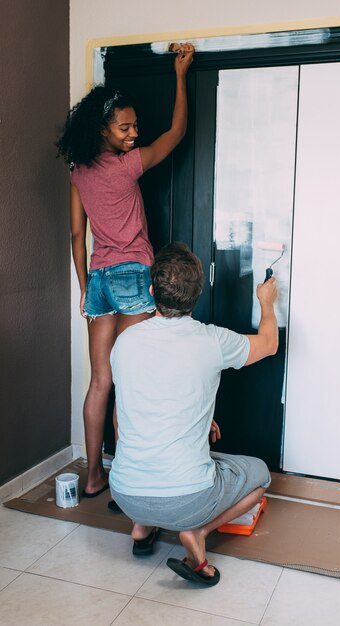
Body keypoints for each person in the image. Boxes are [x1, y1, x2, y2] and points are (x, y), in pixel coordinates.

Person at [56, 44, 194, 499]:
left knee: (101, 383)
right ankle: (129, 480)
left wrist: (84, 288)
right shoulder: (127, 167)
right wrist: (180, 76)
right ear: (104, 129)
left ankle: (94, 475)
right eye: (125, 127)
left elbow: (78, 236)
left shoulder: (78, 172)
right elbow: (176, 133)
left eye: (135, 126)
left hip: (98, 283)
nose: (134, 133)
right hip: (135, 277)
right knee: (132, 383)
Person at [109, 242, 278, 586]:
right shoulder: (212, 340)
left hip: (125, 492)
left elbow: (125, 413)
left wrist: (198, 418)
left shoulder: (125, 341)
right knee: (259, 475)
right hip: (186, 500)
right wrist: (266, 303)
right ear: (197, 294)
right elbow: (269, 343)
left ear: (153, 290)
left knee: (154, 467)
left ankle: (141, 528)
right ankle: (197, 533)